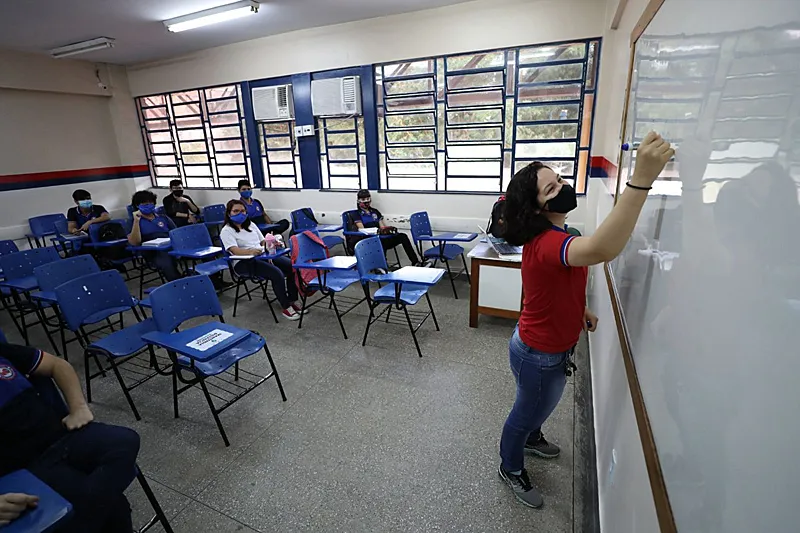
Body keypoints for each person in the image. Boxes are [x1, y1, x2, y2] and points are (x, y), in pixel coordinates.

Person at [497, 132, 674, 508]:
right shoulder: (547, 243)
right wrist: (641, 179)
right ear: (539, 207)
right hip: (539, 355)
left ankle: (531, 437)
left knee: (534, 407)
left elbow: (550, 289)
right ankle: (510, 466)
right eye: (551, 188)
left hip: (539, 347)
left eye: (559, 179)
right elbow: (602, 249)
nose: (562, 186)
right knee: (525, 412)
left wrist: (579, 310)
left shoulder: (562, 234)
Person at [0, 341, 140, 532]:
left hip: (62, 435)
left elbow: (58, 365)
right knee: (116, 507)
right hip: (28, 464)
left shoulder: (3, 350)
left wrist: (78, 407)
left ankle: (81, 524)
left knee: (125, 441)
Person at [220, 199, 303, 321]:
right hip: (244, 263)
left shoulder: (251, 225)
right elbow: (234, 250)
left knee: (292, 266)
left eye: (243, 211)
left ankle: (292, 300)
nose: (240, 214)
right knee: (277, 274)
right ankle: (286, 306)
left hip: (263, 256)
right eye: (236, 211)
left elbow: (262, 241)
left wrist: (273, 243)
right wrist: (250, 252)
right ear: (229, 213)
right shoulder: (226, 231)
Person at [349, 189, 430, 267]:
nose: (366, 201)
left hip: (381, 237)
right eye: (363, 199)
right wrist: (376, 231)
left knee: (402, 236)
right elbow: (362, 230)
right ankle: (381, 266)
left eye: (367, 198)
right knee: (381, 242)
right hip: (369, 240)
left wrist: (387, 230)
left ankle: (415, 262)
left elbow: (382, 226)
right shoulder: (356, 214)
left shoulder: (375, 212)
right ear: (358, 200)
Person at [127, 190, 181, 281]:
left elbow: (177, 232)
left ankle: (210, 278)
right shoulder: (133, 222)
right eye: (144, 203)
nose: (148, 205)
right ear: (137, 206)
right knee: (166, 259)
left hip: (170, 245)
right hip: (153, 251)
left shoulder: (163, 217)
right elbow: (134, 242)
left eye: (150, 203)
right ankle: (178, 284)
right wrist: (136, 221)